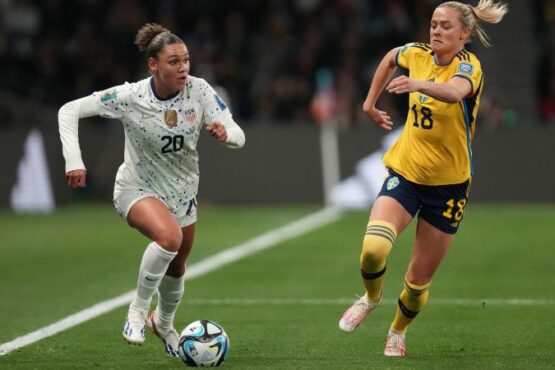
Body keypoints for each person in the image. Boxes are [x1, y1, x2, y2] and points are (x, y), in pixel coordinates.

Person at [58, 23, 245, 357]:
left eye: (186, 60)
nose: (184, 67)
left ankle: (165, 323)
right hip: (136, 188)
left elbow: (237, 132)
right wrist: (74, 159)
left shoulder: (200, 91)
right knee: (169, 239)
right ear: (154, 65)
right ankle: (137, 310)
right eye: (174, 61)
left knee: (177, 266)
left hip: (182, 195)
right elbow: (69, 110)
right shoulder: (130, 97)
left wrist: (224, 134)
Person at [338, 0, 507, 357]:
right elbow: (388, 58)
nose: (436, 31)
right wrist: (369, 104)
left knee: (417, 281)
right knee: (373, 250)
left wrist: (418, 83)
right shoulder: (416, 53)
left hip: (449, 187)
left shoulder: (468, 66)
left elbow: (456, 92)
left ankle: (398, 330)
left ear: (464, 34)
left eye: (445, 26)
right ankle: (370, 297)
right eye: (433, 24)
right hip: (408, 172)